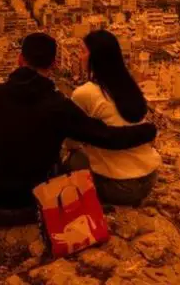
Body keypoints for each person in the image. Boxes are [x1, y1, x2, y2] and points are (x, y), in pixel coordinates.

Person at [0, 32, 158, 226]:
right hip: (34, 207)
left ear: (19, 59)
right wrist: (147, 131)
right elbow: (107, 137)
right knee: (68, 162)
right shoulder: (59, 107)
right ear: (53, 65)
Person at [67, 30, 160, 206]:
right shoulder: (128, 87)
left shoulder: (84, 93)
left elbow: (71, 143)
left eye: (83, 51)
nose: (80, 57)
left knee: (74, 158)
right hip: (149, 180)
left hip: (119, 189)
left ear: (96, 57)